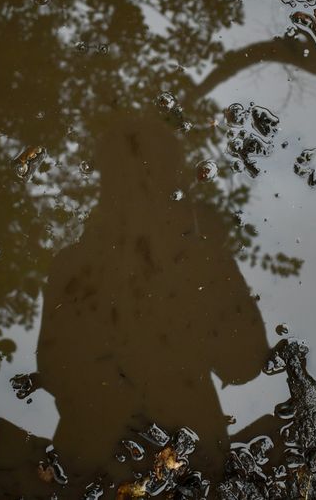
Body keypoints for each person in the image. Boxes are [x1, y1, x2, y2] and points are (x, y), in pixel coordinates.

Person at [35, 111, 269, 491]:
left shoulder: (201, 260)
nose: (139, 196)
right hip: (100, 458)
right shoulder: (74, 267)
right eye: (128, 182)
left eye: (151, 181)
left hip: (189, 459)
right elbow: (55, 371)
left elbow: (246, 362)